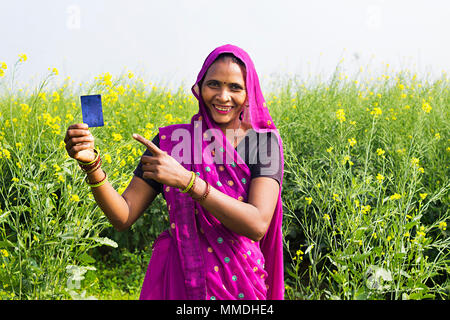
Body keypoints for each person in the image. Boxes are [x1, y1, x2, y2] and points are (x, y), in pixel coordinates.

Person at [64, 44, 285, 300]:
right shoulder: (173, 142)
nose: (223, 96)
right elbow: (122, 216)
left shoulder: (264, 143)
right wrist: (92, 166)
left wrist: (187, 181)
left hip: (241, 283)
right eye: (213, 84)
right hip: (179, 278)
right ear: (200, 88)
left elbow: (257, 224)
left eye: (235, 87)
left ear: (249, 94)